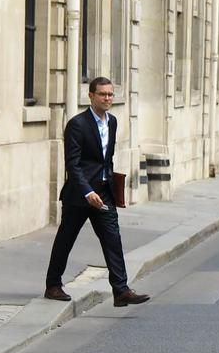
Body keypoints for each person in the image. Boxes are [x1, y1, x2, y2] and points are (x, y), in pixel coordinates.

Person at [43, 77, 150, 307]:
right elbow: (73, 164)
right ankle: (53, 285)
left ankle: (121, 290)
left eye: (110, 94)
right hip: (79, 195)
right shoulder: (77, 124)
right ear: (91, 96)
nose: (107, 98)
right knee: (65, 240)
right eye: (102, 94)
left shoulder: (112, 122)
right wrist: (86, 191)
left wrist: (112, 185)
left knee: (113, 240)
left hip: (104, 193)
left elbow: (106, 159)